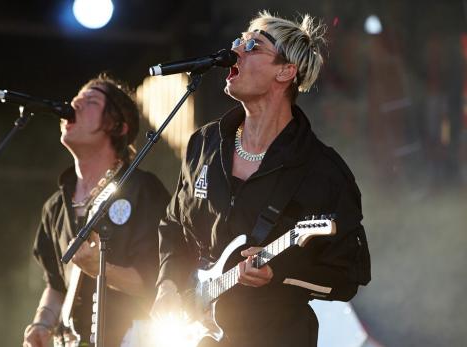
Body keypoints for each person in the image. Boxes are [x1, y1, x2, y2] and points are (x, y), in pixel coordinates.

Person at [151, 11, 371, 346]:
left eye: (253, 45)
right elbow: (173, 224)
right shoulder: (205, 144)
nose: (237, 49)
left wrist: (280, 275)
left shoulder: (323, 170)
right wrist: (167, 285)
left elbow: (347, 277)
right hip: (200, 336)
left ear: (285, 71)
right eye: (238, 40)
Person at [23, 74, 170, 347]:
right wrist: (42, 324)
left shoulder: (142, 190)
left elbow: (157, 280)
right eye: (75, 98)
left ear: (119, 126)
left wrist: (100, 269)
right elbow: (56, 285)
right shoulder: (56, 206)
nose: (75, 104)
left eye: (90, 101)